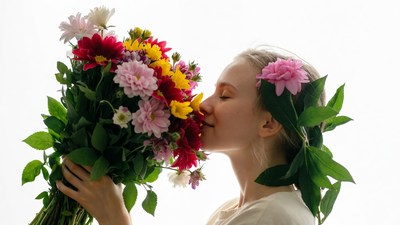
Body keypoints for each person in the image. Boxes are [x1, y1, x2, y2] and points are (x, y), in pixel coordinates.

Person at [57, 48, 324, 225]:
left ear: (269, 123)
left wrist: (115, 217)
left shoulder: (272, 216)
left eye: (225, 95)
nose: (203, 105)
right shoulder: (238, 209)